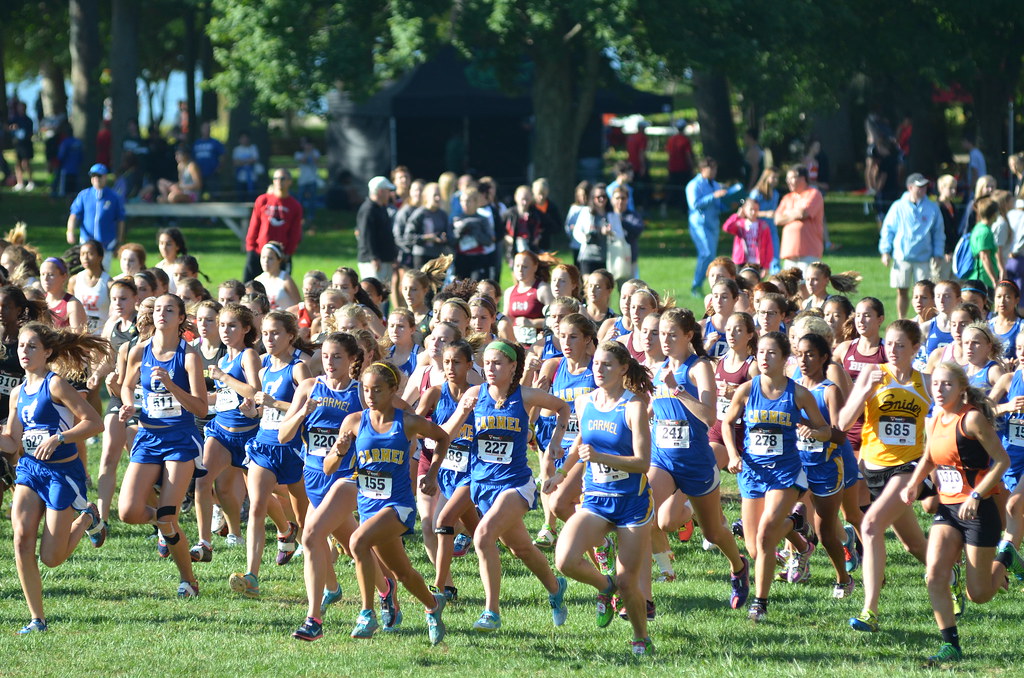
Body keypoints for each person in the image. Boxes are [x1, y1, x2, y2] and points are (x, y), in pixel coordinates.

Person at [440, 340, 571, 632]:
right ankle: (555, 588)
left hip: (515, 484)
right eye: (486, 363)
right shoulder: (474, 394)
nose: (491, 368)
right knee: (521, 549)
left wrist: (556, 441)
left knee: (483, 537)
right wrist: (462, 412)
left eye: (498, 363)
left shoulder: (525, 395)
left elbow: (563, 407)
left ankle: (491, 611)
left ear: (513, 367)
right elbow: (445, 434)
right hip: (483, 486)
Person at [900, 362, 1015, 666]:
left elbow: (1001, 461)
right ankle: (950, 645)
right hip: (949, 509)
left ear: (961, 388)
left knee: (978, 593)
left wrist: (976, 495)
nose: (939, 390)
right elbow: (929, 456)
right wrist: (914, 484)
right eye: (935, 384)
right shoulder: (936, 417)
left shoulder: (973, 419)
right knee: (934, 573)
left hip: (979, 510)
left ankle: (1006, 557)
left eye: (947, 384)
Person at [546, 341, 656, 656]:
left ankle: (640, 637)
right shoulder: (585, 402)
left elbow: (643, 463)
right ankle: (604, 587)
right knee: (565, 560)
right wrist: (562, 473)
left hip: (632, 504)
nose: (599, 369)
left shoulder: (634, 406)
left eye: (607, 364)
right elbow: (583, 442)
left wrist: (602, 457)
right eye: (596, 364)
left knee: (628, 582)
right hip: (596, 499)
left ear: (623, 369)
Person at [329, 361, 449, 644]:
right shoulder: (355, 422)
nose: (370, 396)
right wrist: (340, 451)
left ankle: (366, 613)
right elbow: (328, 467)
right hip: (369, 506)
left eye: (378, 390)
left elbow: (442, 438)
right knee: (403, 573)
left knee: (357, 541)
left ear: (394, 390)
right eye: (365, 390)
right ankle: (433, 605)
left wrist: (432, 473)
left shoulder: (407, 421)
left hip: (399, 507)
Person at [1, 323, 108, 634]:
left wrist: (60, 438)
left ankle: (87, 517)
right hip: (31, 470)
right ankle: (37, 619)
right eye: (21, 346)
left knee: (51, 558)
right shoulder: (17, 393)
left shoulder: (57, 385)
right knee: (21, 540)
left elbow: (94, 423)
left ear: (47, 352)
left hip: (62, 472)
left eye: (32, 346)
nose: (24, 352)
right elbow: (12, 444)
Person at [721, 331, 831, 621]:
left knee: (765, 535)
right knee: (754, 549)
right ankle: (796, 527)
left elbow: (826, 431)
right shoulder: (747, 389)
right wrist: (733, 454)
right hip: (752, 472)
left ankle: (760, 603)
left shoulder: (798, 393)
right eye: (760, 352)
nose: (764, 358)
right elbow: (727, 422)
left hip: (785, 473)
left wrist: (812, 431)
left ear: (785, 359)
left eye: (771, 353)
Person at [652, 308, 751, 606]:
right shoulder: (659, 368)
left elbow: (709, 416)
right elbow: (653, 411)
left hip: (696, 463)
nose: (665, 340)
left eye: (672, 334)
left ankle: (739, 567)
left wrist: (677, 390)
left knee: (715, 532)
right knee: (643, 514)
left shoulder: (699, 368)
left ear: (688, 336)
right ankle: (638, 588)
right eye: (662, 334)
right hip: (662, 459)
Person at [838, 319, 930, 633]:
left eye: (901, 344)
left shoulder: (926, 381)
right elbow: (842, 421)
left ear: (915, 348)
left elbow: (946, 420)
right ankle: (952, 575)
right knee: (915, 545)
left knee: (871, 525)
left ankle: (870, 611)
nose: (892, 350)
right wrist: (864, 391)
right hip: (873, 470)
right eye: (888, 344)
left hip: (907, 469)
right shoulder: (872, 375)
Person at [118, 294, 208, 597]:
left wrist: (171, 384)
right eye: (158, 309)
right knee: (128, 512)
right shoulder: (140, 350)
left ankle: (188, 580)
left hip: (180, 439)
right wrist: (128, 406)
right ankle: (166, 524)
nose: (162, 314)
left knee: (169, 516)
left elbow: (201, 408)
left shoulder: (190, 356)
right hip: (148, 436)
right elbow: (126, 385)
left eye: (170, 310)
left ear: (181, 318)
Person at [228, 311, 311, 598]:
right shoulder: (263, 369)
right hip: (264, 443)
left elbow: (310, 408)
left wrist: (276, 402)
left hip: (293, 448)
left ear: (291, 336)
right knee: (256, 506)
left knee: (305, 514)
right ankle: (251, 575)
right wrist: (253, 411)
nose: (270, 338)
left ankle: (317, 555)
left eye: (276, 333)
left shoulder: (298, 369)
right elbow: (263, 409)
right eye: (266, 333)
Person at [192, 303, 260, 561]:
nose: (225, 330)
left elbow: (255, 391)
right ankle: (204, 542)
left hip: (248, 434)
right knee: (203, 480)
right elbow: (223, 398)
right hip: (221, 430)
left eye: (232, 325)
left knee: (261, 494)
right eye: (222, 325)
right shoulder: (222, 359)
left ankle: (287, 531)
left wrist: (224, 376)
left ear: (245, 329)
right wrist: (188, 399)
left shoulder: (248, 356)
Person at [879, 173, 946, 318]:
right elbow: (888, 229)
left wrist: (938, 253)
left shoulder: (932, 207)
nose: (923, 189)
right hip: (902, 256)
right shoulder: (898, 206)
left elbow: (938, 232)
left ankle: (925, 319)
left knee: (925, 293)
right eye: (919, 186)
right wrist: (885, 251)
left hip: (924, 257)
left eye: (924, 186)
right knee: (902, 290)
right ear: (910, 187)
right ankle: (901, 319)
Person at [244, 169, 304, 283]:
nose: (278, 181)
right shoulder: (263, 200)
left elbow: (295, 232)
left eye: (282, 179)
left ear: (289, 182)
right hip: (259, 251)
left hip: (280, 254)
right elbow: (254, 225)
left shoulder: (294, 205)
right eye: (275, 178)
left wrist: (288, 252)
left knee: (279, 286)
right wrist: (251, 247)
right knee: (250, 285)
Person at [66, 164, 127, 269]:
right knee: (85, 270)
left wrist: (119, 241)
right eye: (93, 176)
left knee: (104, 270)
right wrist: (70, 231)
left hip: (106, 243)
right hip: (86, 241)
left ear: (105, 177)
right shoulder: (84, 195)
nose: (96, 179)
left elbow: (120, 220)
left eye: (99, 176)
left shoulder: (114, 197)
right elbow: (74, 214)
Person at [685, 158, 728, 296]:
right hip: (699, 224)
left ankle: (710, 287)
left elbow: (718, 204)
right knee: (706, 253)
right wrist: (713, 196)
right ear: (703, 169)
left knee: (712, 256)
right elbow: (694, 204)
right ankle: (695, 285)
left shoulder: (715, 184)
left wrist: (728, 203)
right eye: (712, 169)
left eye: (716, 169)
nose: (715, 172)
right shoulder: (693, 185)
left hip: (713, 224)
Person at [775, 165, 825, 271]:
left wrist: (787, 213)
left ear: (802, 178)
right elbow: (777, 219)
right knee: (790, 287)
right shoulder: (787, 197)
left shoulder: (814, 194)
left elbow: (803, 213)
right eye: (787, 179)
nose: (788, 182)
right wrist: (795, 214)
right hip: (789, 254)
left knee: (807, 285)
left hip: (809, 252)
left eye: (792, 178)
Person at [574, 183, 624, 275]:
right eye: (598, 197)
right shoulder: (586, 212)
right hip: (588, 256)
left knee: (603, 286)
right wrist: (586, 238)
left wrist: (610, 233)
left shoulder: (612, 215)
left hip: (607, 257)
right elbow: (577, 231)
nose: (601, 199)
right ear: (593, 198)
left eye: (604, 196)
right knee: (588, 286)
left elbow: (620, 234)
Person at [356, 176, 398, 283]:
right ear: (380, 191)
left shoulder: (382, 208)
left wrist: (392, 255)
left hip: (384, 259)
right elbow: (366, 235)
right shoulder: (368, 210)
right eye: (388, 191)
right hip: (374, 261)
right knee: (373, 291)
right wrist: (373, 257)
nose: (390, 194)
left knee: (383, 293)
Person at [67, 240, 113, 335]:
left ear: (100, 257)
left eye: (90, 254)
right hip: (80, 336)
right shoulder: (74, 280)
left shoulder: (109, 283)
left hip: (101, 335)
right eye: (82, 254)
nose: (85, 258)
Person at [403, 182, 450, 270]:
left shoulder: (442, 214)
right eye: (435, 195)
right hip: (421, 256)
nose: (438, 198)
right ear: (426, 196)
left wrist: (444, 238)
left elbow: (448, 234)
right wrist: (426, 238)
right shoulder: (420, 214)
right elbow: (408, 237)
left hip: (438, 257)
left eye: (439, 195)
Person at [722, 198, 772, 270]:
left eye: (756, 209)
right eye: (751, 209)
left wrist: (766, 265)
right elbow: (727, 227)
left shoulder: (763, 226)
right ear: (744, 209)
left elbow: (768, 246)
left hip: (757, 263)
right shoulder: (740, 224)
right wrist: (737, 216)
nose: (753, 212)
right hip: (741, 262)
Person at [254, 241, 301, 310]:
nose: (266, 261)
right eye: (263, 257)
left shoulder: (286, 280)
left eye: (270, 258)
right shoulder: (258, 280)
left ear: (279, 260)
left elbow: (299, 306)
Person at [294, 137, 321, 233]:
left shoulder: (315, 152)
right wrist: (307, 151)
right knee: (300, 200)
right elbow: (303, 160)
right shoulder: (298, 154)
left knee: (312, 200)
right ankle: (300, 218)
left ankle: (311, 219)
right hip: (302, 180)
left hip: (312, 179)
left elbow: (316, 160)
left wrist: (310, 151)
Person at [667, 120, 695, 210]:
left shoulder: (671, 139)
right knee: (683, 188)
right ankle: (682, 207)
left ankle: (672, 206)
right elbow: (688, 156)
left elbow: (669, 153)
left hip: (672, 167)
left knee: (673, 187)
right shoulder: (685, 140)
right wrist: (692, 167)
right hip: (683, 168)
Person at [192, 122, 225, 196]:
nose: (206, 130)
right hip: (199, 174)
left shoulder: (215, 142)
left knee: (214, 195)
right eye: (204, 128)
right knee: (199, 196)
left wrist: (219, 168)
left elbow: (222, 156)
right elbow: (193, 158)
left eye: (208, 128)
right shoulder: (196, 143)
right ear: (201, 130)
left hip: (212, 174)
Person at [232, 131, 262, 201]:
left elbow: (255, 159)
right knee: (240, 196)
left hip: (252, 178)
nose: (244, 140)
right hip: (240, 177)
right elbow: (235, 162)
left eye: (246, 138)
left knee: (252, 196)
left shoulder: (253, 148)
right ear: (239, 139)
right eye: (242, 138)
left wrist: (242, 161)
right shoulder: (237, 150)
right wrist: (248, 161)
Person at [964, 133, 986, 198]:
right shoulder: (977, 152)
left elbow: (975, 172)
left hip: (977, 187)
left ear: (968, 142)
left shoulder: (973, 154)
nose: (962, 144)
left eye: (964, 142)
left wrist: (971, 188)